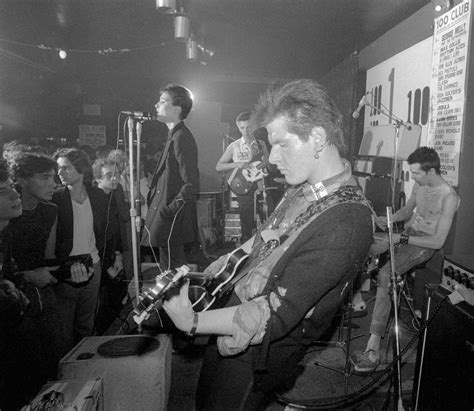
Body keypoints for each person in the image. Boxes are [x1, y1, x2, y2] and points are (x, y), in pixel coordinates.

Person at [162, 79, 374, 410]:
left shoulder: (347, 222)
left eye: (282, 144)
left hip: (260, 352)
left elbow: (274, 312)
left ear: (317, 137)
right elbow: (267, 235)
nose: (273, 157)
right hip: (234, 317)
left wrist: (191, 322)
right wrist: (225, 264)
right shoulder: (302, 188)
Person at [351, 146, 459, 374]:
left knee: (385, 275)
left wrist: (402, 237)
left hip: (423, 245)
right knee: (360, 247)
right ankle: (356, 301)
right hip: (406, 237)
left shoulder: (449, 197)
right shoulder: (421, 185)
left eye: (417, 173)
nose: (414, 178)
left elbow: (438, 242)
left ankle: (373, 346)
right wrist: (386, 220)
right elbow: (407, 211)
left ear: (430, 171)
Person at [52, 148, 106, 351]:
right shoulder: (56, 198)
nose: (60, 173)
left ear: (81, 170)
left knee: (86, 323)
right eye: (58, 168)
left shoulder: (97, 196)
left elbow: (104, 231)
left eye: (66, 168)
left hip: (93, 265)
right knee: (64, 326)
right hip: (66, 269)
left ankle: (84, 363)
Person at [141, 84, 200, 270]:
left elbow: (191, 183)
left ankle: (176, 299)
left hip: (172, 218)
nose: (156, 105)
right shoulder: (173, 135)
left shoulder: (182, 137)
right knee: (168, 269)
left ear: (177, 109)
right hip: (166, 214)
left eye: (163, 101)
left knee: (173, 270)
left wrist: (170, 210)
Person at [216, 111, 275, 243]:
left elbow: (268, 165)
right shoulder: (234, 146)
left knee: (269, 219)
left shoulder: (262, 144)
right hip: (244, 187)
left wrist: (268, 164)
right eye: (242, 128)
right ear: (238, 127)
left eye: (248, 127)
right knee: (246, 222)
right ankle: (246, 250)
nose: (246, 131)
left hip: (261, 185)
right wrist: (237, 164)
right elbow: (219, 166)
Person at [92, 158, 131, 334]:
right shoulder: (95, 199)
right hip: (98, 256)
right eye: (109, 175)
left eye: (116, 174)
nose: (114, 178)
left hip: (112, 253)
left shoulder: (115, 194)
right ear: (98, 178)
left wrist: (118, 255)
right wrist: (107, 264)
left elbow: (117, 229)